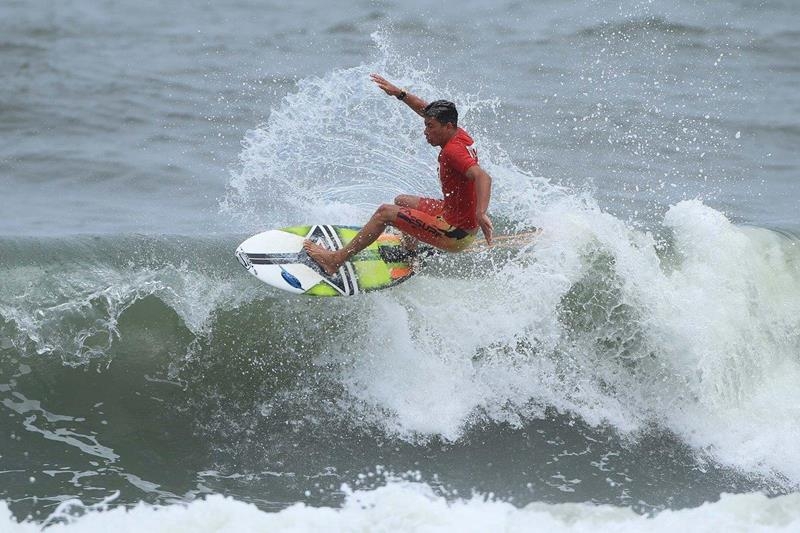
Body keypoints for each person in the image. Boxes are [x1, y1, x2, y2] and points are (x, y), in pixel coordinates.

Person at [304, 73, 493, 275]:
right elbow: (425, 110)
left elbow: (483, 176)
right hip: (449, 213)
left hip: (455, 233)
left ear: (447, 126)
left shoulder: (452, 151)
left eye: (430, 127)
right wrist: (400, 94)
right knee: (402, 201)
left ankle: (335, 260)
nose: (425, 132)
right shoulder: (458, 133)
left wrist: (481, 213)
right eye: (426, 125)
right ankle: (410, 255)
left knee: (385, 212)